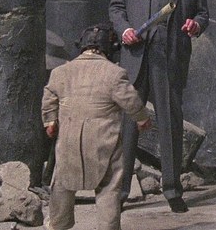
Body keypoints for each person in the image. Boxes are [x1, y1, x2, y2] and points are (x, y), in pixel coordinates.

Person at [108, 0, 209, 213]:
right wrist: (125, 29)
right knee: (128, 125)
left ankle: (172, 190)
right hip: (135, 58)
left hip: (170, 59)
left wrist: (196, 25)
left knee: (170, 124)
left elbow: (203, 14)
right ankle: (121, 192)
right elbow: (116, 8)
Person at [42, 23, 152, 230]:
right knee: (109, 187)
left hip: (69, 141)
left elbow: (49, 97)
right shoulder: (115, 73)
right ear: (110, 48)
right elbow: (130, 100)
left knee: (62, 183)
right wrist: (142, 118)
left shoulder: (60, 72)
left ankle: (58, 224)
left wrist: (50, 121)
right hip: (103, 142)